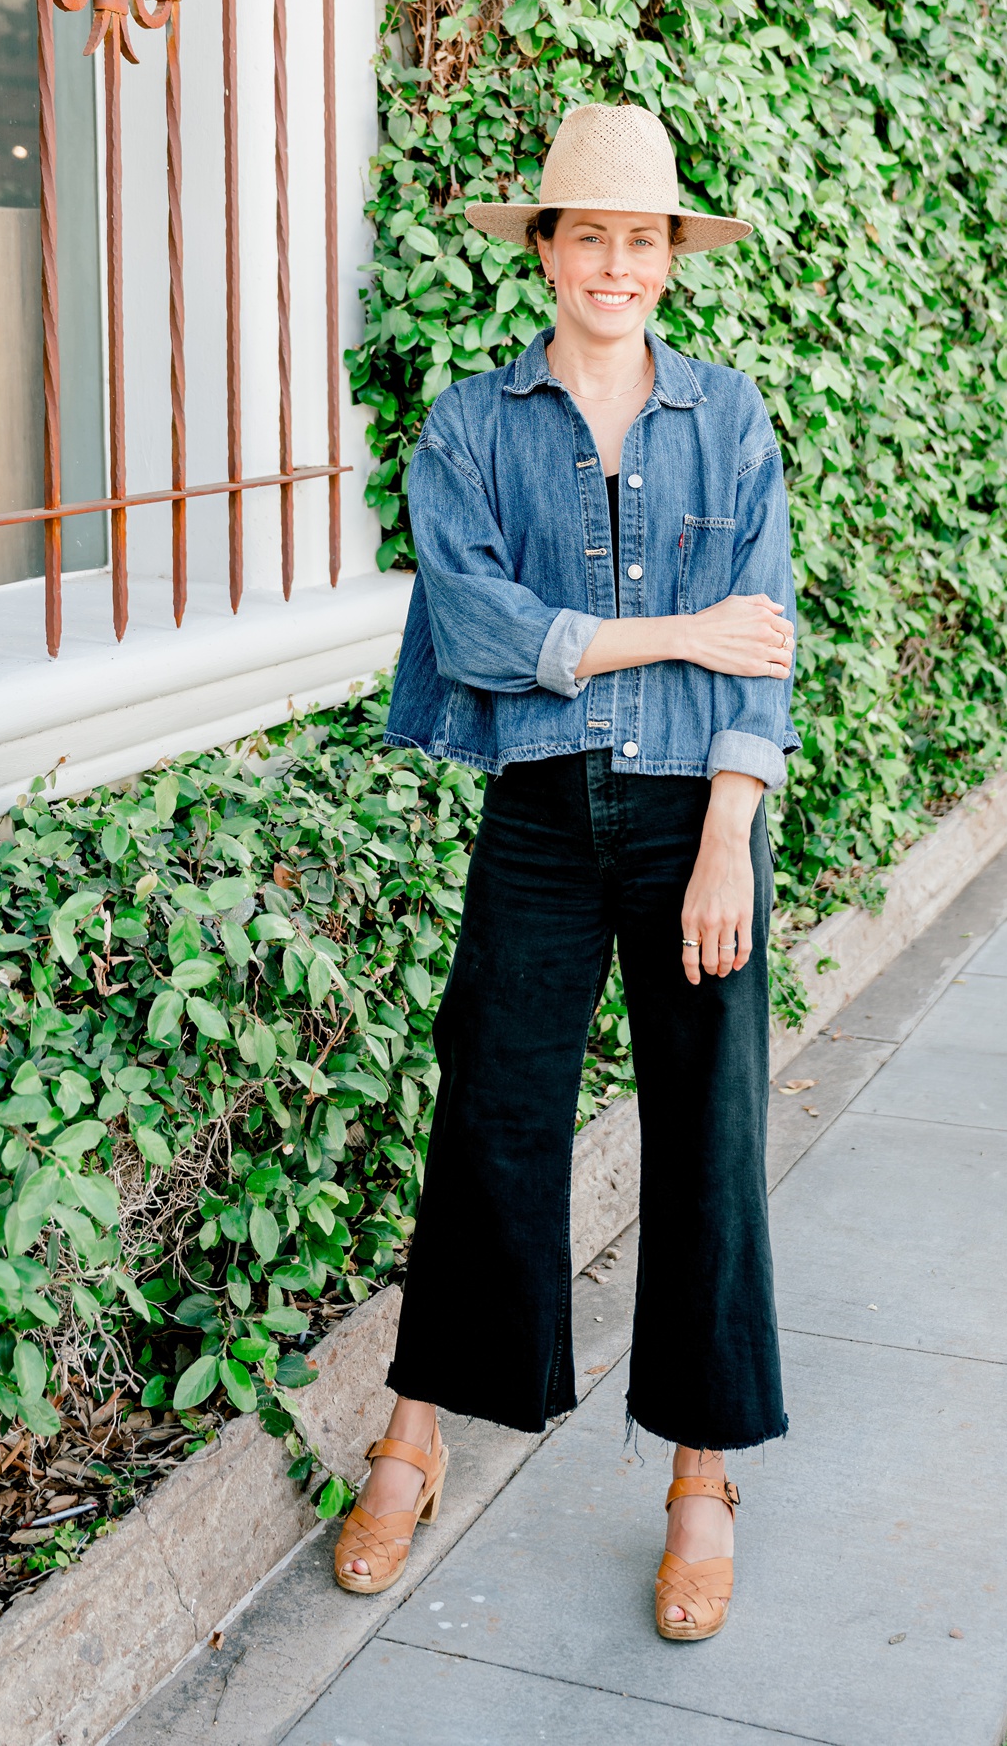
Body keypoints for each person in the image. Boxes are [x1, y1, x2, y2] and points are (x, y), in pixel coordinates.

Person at [332, 102, 797, 1642]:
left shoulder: (729, 419)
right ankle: (414, 1439)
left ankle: (699, 1481)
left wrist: (730, 829)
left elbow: (768, 651)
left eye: (643, 237)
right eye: (586, 232)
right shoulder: (470, 428)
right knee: (492, 1116)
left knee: (706, 1141)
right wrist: (675, 631)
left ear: (673, 257)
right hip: (539, 814)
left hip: (693, 822)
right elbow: (475, 631)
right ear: (545, 249)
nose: (615, 263)